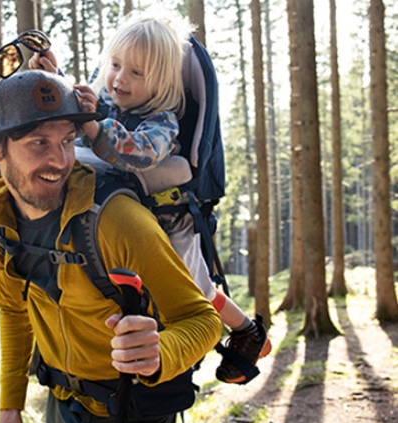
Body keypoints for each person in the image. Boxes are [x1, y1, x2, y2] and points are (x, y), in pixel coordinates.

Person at [30, 11, 271, 385]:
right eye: (114, 65)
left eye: (136, 73)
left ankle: (249, 333)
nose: (119, 78)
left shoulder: (163, 121)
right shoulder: (110, 103)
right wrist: (56, 78)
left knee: (198, 289)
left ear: (160, 82)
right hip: (134, 219)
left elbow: (136, 152)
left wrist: (93, 126)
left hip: (171, 221)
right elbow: (81, 115)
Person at [0, 68, 223, 423]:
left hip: (133, 411)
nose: (60, 161)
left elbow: (204, 320)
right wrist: (10, 407)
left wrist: (159, 353)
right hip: (61, 405)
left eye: (66, 141)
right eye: (39, 143)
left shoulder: (115, 219)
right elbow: (14, 309)